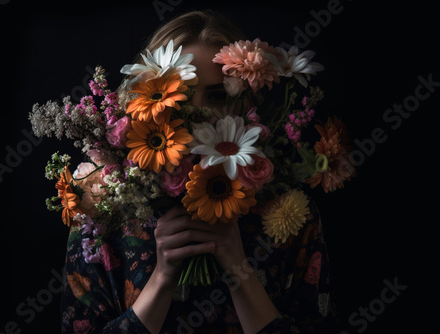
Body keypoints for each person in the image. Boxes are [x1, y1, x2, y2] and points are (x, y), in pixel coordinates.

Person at [61, 10, 338, 334]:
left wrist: (239, 270)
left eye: (217, 95)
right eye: (179, 91)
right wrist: (162, 278)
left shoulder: (290, 216)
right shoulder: (103, 215)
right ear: (147, 97)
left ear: (243, 101)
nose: (198, 111)